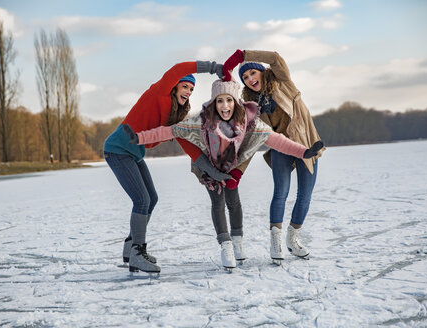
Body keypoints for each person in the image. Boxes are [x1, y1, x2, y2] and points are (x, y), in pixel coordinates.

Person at [127, 79, 323, 269]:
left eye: (228, 100)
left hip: (231, 166)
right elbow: (171, 131)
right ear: (214, 103)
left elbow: (276, 140)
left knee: (234, 202)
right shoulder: (202, 122)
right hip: (209, 166)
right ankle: (226, 245)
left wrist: (303, 152)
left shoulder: (249, 122)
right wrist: (139, 138)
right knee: (218, 202)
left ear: (236, 102)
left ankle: (237, 241)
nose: (224, 105)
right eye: (219, 100)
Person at [103, 61, 230, 274]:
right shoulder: (160, 93)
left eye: (191, 89)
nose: (188, 91)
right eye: (185, 86)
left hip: (133, 153)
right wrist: (212, 67)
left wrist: (213, 171)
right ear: (174, 86)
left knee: (151, 198)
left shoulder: (175, 118)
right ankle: (137, 251)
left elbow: (189, 146)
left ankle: (131, 246)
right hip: (118, 149)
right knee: (141, 199)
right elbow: (179, 69)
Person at [223, 49, 325, 262]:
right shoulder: (253, 106)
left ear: (262, 72)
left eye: (252, 73)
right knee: (281, 192)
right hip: (280, 148)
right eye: (245, 77)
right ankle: (275, 242)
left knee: (305, 195)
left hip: (307, 144)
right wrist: (237, 170)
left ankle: (293, 239)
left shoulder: (283, 82)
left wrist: (243, 56)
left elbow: (276, 59)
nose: (250, 79)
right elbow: (253, 138)